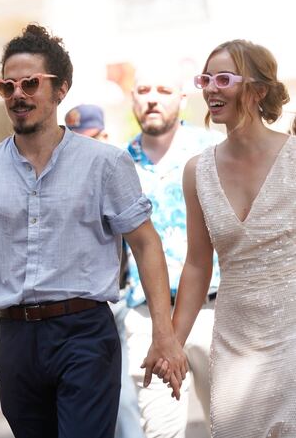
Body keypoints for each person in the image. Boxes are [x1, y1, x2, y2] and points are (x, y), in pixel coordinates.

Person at [0, 24, 188, 438]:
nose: (19, 95)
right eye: (7, 86)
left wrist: (164, 334)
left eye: (31, 83)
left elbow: (145, 244)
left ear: (61, 89)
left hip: (85, 333)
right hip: (14, 339)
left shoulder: (105, 164)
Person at [172, 39, 294, 437]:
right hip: (236, 342)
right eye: (205, 79)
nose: (210, 88)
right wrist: (172, 342)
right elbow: (196, 264)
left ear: (258, 90)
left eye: (224, 78)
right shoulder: (197, 172)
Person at [124, 63, 223, 438]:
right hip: (148, 317)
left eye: (163, 91)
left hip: (214, 309)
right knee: (160, 431)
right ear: (132, 98)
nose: (152, 99)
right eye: (144, 90)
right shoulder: (115, 163)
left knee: (232, 425)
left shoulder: (213, 152)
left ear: (182, 97)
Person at [65, 103, 145, 438]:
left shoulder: (118, 166)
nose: (86, 145)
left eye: (93, 137)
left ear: (106, 135)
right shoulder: (66, 178)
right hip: (85, 308)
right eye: (77, 139)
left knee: (126, 401)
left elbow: (144, 242)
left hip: (127, 299)